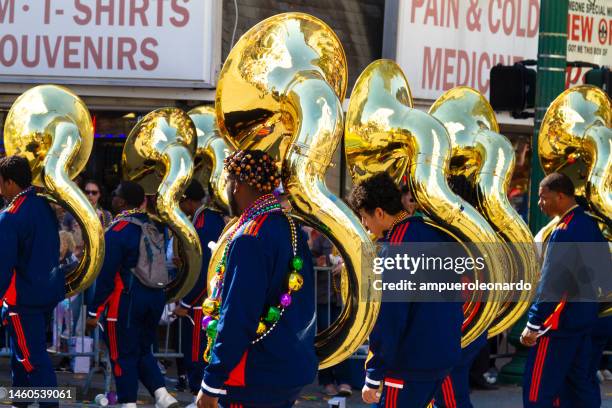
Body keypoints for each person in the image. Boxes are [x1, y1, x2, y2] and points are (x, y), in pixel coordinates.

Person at [196, 149, 317, 408]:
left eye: (227, 182)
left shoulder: (250, 236)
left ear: (237, 185)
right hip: (287, 369)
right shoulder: (290, 227)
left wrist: (212, 380)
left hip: (254, 374)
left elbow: (238, 314)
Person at [349, 172, 463, 408]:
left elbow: (389, 318)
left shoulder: (396, 247)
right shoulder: (432, 233)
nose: (364, 225)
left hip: (408, 364)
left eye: (364, 217)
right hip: (442, 357)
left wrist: (373, 373)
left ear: (379, 212)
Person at [86, 181, 179, 408]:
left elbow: (106, 278)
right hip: (154, 298)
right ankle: (163, 396)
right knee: (142, 351)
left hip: (126, 302)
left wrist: (93, 311)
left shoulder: (117, 230)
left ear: (124, 201)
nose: (113, 197)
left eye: (116, 194)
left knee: (122, 355)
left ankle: (128, 403)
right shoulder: (153, 226)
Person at [520, 172, 607, 407]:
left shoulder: (565, 229)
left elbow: (552, 283)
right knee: (580, 388)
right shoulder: (589, 224)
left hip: (557, 325)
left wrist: (533, 324)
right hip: (584, 321)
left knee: (537, 392)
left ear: (560, 196)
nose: (539, 203)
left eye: (543, 197)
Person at [0, 155, 65, 408]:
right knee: (21, 357)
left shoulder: (11, 216)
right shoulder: (43, 206)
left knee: (32, 359)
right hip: (44, 294)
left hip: (22, 299)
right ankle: (20, 403)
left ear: (10, 183)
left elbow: (3, 266)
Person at [172, 180, 226, 406]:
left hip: (200, 303)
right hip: (202, 301)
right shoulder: (205, 219)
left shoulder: (205, 222)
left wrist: (187, 301)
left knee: (197, 353)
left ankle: (200, 398)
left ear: (188, 201)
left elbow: (204, 268)